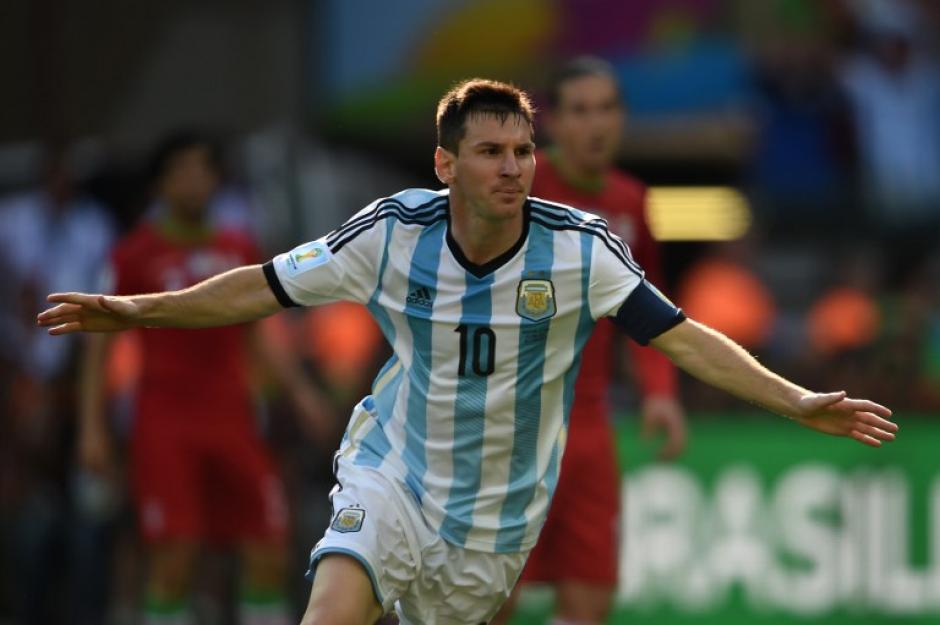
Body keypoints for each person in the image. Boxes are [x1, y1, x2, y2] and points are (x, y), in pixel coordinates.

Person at [38, 79, 897, 625]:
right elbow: (258, 285)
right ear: (446, 163)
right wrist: (134, 309)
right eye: (491, 152)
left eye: (523, 150)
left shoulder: (580, 250)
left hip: (498, 513)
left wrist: (797, 400)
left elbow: (681, 337)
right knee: (332, 606)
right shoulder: (389, 231)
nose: (513, 167)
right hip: (393, 470)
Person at [77, 132, 332, 625]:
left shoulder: (239, 247)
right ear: (159, 186)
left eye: (202, 169)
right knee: (174, 558)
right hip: (165, 426)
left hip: (233, 420)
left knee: (267, 547)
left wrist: (301, 394)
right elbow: (99, 346)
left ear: (216, 179)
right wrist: (92, 428)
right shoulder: (132, 256)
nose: (194, 181)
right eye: (180, 171)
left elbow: (260, 334)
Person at [491, 57, 687, 625]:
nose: (596, 125)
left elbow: (652, 313)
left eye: (607, 109)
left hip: (590, 430)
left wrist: (659, 391)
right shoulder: (514, 190)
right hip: (509, 426)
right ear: (550, 122)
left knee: (588, 601)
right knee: (490, 600)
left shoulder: (631, 202)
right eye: (580, 111)